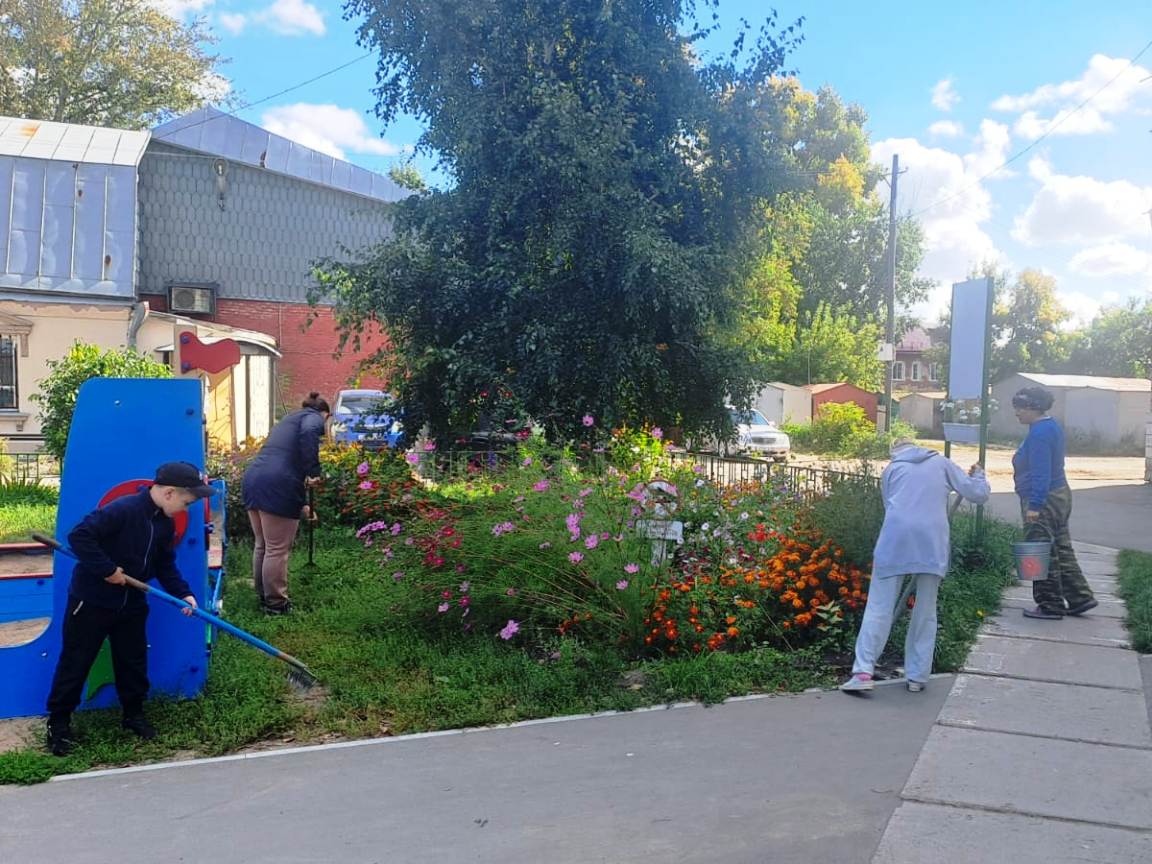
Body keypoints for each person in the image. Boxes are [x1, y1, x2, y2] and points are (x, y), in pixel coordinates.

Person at [45, 462, 215, 757]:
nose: (186, 509)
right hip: (92, 600)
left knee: (133, 659)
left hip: (132, 600)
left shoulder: (164, 523)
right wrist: (107, 570)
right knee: (77, 660)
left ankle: (133, 715)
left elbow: (165, 564)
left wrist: (184, 594)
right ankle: (58, 724)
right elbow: (79, 536)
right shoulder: (123, 510)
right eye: (187, 503)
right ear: (170, 493)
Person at [841, 439, 990, 694]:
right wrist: (979, 475)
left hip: (895, 539)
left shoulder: (892, 470)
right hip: (932, 541)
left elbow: (889, 504)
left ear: (894, 453)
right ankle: (917, 677)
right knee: (926, 608)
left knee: (879, 605)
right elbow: (979, 495)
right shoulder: (942, 464)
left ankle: (863, 671)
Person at [1011, 386, 1097, 620]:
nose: (1016, 412)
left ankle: (1049, 605)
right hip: (1059, 495)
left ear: (1032, 407)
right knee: (1061, 548)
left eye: (1019, 408)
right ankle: (1080, 598)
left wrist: (1035, 505)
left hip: (1044, 498)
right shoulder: (1050, 426)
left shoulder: (1039, 434)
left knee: (1039, 552)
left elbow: (1041, 473)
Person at [242, 392, 328, 615]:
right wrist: (314, 472)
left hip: (254, 478)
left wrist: (303, 506)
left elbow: (285, 461)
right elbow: (309, 432)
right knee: (277, 549)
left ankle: (263, 596)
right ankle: (276, 604)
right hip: (277, 483)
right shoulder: (313, 418)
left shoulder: (290, 419)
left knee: (263, 545)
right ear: (325, 414)